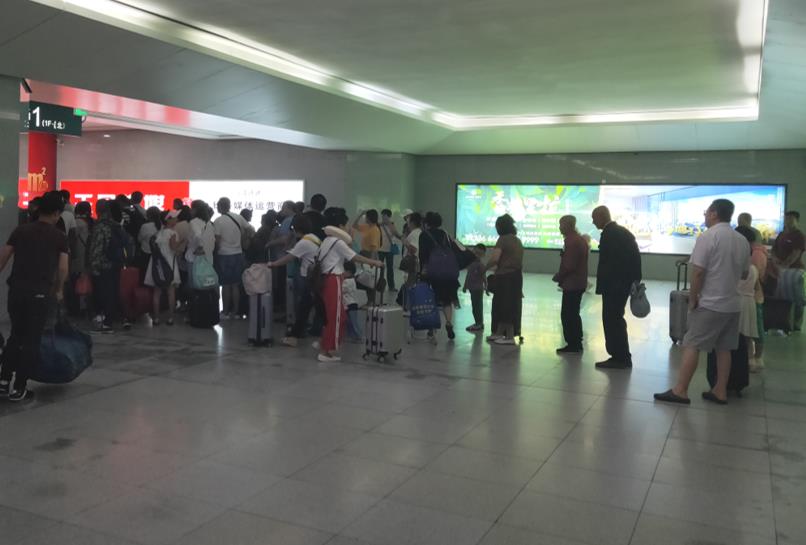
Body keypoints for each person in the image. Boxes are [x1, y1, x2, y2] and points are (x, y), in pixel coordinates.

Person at [655, 199, 750, 405]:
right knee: (724, 348)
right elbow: (744, 274)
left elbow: (698, 272)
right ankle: (720, 390)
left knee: (691, 343)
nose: (705, 215)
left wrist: (693, 299)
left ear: (714, 213)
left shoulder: (708, 236)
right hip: (733, 305)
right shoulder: (741, 240)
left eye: (706, 212)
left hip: (711, 303)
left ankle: (680, 390)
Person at [0, 192, 69, 401]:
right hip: (39, 292)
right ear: (56, 213)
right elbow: (63, 268)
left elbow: (3, 256)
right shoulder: (59, 236)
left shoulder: (21, 230)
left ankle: (3, 381)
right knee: (31, 339)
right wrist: (59, 289)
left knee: (15, 335)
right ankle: (19, 387)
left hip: (16, 291)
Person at [317, 207, 383, 362]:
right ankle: (326, 351)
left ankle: (325, 345)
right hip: (333, 280)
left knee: (337, 315)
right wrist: (374, 262)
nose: (348, 227)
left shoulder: (327, 240)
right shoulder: (338, 242)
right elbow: (354, 257)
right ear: (340, 225)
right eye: (346, 225)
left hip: (327, 279)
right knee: (336, 317)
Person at [591, 205, 642, 369]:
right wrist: (635, 280)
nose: (593, 222)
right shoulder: (622, 232)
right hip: (621, 285)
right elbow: (635, 258)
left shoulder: (610, 234)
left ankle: (619, 357)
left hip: (613, 286)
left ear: (601, 216)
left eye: (594, 218)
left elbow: (610, 264)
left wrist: (608, 284)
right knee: (616, 318)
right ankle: (621, 355)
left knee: (612, 319)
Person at [267, 215, 322, 347]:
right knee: (310, 307)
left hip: (306, 277)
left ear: (296, 228)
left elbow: (289, 258)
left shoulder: (303, 242)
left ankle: (295, 335)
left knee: (303, 307)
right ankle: (304, 331)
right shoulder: (314, 238)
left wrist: (273, 264)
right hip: (315, 277)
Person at [419, 211, 461, 340]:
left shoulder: (424, 235)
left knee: (431, 298)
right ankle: (448, 322)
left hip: (432, 272)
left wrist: (422, 270)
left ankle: (431, 329)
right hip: (447, 271)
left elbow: (423, 255)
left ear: (427, 223)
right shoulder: (444, 234)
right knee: (447, 300)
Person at [88, 199, 127, 332]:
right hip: (116, 263)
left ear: (97, 210)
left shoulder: (100, 226)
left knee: (103, 294)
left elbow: (97, 248)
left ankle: (107, 322)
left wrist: (93, 266)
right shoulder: (115, 225)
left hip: (103, 265)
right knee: (113, 292)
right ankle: (119, 319)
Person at [484, 214, 524, 345]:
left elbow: (495, 259)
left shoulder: (502, 239)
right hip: (516, 276)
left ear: (500, 227)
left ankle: (509, 337)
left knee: (503, 306)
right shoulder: (517, 240)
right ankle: (499, 333)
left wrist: (484, 269)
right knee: (508, 304)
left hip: (505, 277)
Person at [553, 215, 589, 354]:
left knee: (568, 314)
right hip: (578, 282)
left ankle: (573, 343)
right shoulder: (579, 239)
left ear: (568, 225)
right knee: (573, 313)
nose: (559, 228)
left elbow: (569, 265)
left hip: (572, 283)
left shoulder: (572, 241)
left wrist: (559, 276)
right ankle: (576, 342)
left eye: (561, 224)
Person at [213, 197, 249, 319]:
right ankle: (235, 312)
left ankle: (225, 312)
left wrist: (215, 252)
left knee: (225, 285)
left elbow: (217, 240)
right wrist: (243, 240)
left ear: (219, 207)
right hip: (238, 254)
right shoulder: (238, 217)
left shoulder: (218, 221)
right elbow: (250, 229)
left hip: (224, 255)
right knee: (235, 285)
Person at [144, 210, 182, 325]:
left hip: (157, 264)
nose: (177, 219)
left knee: (157, 292)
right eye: (175, 218)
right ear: (169, 220)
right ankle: (170, 318)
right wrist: (182, 242)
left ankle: (156, 318)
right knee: (171, 292)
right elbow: (173, 247)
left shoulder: (158, 233)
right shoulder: (172, 233)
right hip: (169, 263)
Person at [736, 226, 764, 372]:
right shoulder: (753, 269)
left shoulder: (738, 268)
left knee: (737, 333)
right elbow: (757, 287)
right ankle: (752, 360)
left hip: (738, 302)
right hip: (750, 302)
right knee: (748, 335)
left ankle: (742, 360)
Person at [772, 210, 804, 330]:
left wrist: (785, 265)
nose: (788, 221)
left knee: (797, 298)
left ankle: (796, 325)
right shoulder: (781, 234)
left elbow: (796, 253)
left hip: (795, 271)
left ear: (797, 221)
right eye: (786, 219)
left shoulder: (799, 235)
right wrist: (775, 260)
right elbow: (774, 250)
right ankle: (785, 323)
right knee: (783, 297)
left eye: (791, 219)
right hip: (781, 271)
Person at [463, 243, 487, 332]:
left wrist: (486, 286)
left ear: (483, 255)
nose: (476, 255)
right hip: (472, 289)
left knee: (478, 307)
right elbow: (468, 275)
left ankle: (479, 324)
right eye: (475, 253)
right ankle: (478, 323)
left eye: (479, 254)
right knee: (475, 306)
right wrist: (465, 286)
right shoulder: (471, 264)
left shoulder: (480, 265)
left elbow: (484, 276)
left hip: (478, 289)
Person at [379, 209, 403, 292]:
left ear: (389, 217)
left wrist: (403, 238)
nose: (383, 218)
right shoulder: (379, 225)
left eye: (385, 216)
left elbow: (397, 234)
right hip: (380, 249)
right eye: (382, 216)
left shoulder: (392, 225)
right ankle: (380, 286)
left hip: (389, 250)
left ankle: (391, 286)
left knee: (390, 269)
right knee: (380, 269)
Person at [342, 260, 362, 342]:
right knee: (349, 322)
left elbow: (342, 289)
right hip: (348, 304)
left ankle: (358, 336)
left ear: (348, 272)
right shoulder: (350, 280)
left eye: (343, 270)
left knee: (353, 322)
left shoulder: (348, 282)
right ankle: (353, 336)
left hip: (351, 304)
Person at [137, 207, 161, 272]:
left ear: (148, 215)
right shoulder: (162, 226)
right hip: (158, 254)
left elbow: (139, 239)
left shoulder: (145, 226)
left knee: (144, 273)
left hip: (146, 253)